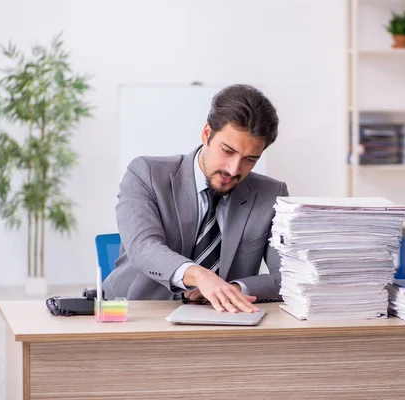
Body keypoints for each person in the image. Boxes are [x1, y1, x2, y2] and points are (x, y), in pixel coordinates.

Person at [103, 84, 289, 313]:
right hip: (134, 312)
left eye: (250, 159)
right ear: (206, 134)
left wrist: (232, 289)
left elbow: (290, 275)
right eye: (227, 151)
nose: (233, 169)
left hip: (221, 320)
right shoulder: (145, 173)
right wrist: (200, 275)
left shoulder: (271, 195)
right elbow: (144, 247)